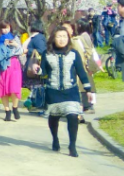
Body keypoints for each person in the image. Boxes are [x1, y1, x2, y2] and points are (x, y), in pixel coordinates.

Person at [31, 25, 93, 156]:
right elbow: (44, 73)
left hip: (71, 91)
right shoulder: (46, 54)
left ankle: (72, 145)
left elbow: (81, 73)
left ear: (68, 38)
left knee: (72, 116)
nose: (62, 39)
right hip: (53, 92)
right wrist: (37, 69)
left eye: (64, 36)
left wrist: (88, 90)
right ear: (53, 38)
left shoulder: (74, 53)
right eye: (59, 36)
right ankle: (55, 139)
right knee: (54, 118)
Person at [0, 20, 23, 121]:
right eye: (3, 28)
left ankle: (15, 107)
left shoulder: (15, 38)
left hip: (13, 63)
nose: (5, 30)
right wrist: (3, 45)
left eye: (7, 27)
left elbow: (20, 51)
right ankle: (7, 111)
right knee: (2, 88)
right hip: (1, 65)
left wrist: (15, 45)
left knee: (14, 88)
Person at [69, 20, 101, 113]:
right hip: (88, 63)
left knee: (82, 85)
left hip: (84, 63)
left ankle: (87, 106)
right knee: (87, 84)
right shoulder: (87, 35)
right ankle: (89, 105)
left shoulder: (79, 38)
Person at [23, 20, 48, 115]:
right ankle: (34, 103)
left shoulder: (38, 38)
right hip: (32, 64)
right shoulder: (35, 37)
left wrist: (27, 51)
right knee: (34, 86)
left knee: (37, 86)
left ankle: (39, 106)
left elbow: (41, 50)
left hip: (35, 65)